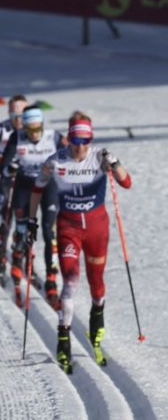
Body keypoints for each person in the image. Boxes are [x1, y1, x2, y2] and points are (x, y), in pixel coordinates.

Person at [26, 112, 132, 374]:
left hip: (97, 229)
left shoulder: (99, 157)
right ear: (69, 139)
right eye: (76, 140)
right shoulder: (56, 160)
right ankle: (63, 341)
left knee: (97, 284)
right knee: (70, 281)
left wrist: (115, 163)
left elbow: (126, 182)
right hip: (69, 229)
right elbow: (37, 188)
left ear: (91, 139)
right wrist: (31, 220)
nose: (81, 146)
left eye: (86, 140)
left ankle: (96, 326)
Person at [0, 105, 62, 307]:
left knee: (49, 232)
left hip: (48, 187)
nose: (34, 134)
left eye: (37, 129)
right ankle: (18, 268)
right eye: (29, 130)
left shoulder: (54, 137)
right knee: (23, 230)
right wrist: (10, 168)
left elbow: (71, 159)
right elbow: (3, 169)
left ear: (42, 125)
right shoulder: (17, 138)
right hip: (25, 187)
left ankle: (51, 280)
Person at [0, 95, 27, 286]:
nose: (18, 120)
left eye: (21, 116)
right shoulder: (2, 129)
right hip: (6, 181)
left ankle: (22, 258)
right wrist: (1, 161)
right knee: (6, 221)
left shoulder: (31, 130)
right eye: (14, 116)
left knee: (24, 222)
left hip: (24, 182)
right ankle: (1, 260)